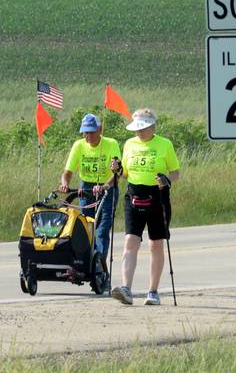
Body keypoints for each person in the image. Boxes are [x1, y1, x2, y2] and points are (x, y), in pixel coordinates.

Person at [108, 108, 180, 306]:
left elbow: (175, 172)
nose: (138, 132)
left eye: (142, 129)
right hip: (133, 196)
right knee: (130, 241)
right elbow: (125, 173)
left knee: (155, 244)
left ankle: (153, 291)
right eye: (136, 129)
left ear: (151, 126)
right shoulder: (130, 144)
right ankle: (126, 289)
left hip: (157, 198)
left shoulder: (164, 144)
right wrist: (117, 169)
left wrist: (166, 180)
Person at [58, 113, 120, 262]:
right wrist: (65, 184)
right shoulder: (78, 145)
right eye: (85, 132)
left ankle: (100, 267)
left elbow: (117, 173)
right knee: (87, 228)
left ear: (99, 129)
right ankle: (86, 262)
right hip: (86, 189)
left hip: (107, 188)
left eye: (92, 131)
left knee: (102, 230)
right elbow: (67, 173)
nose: (88, 136)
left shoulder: (111, 144)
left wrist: (104, 186)